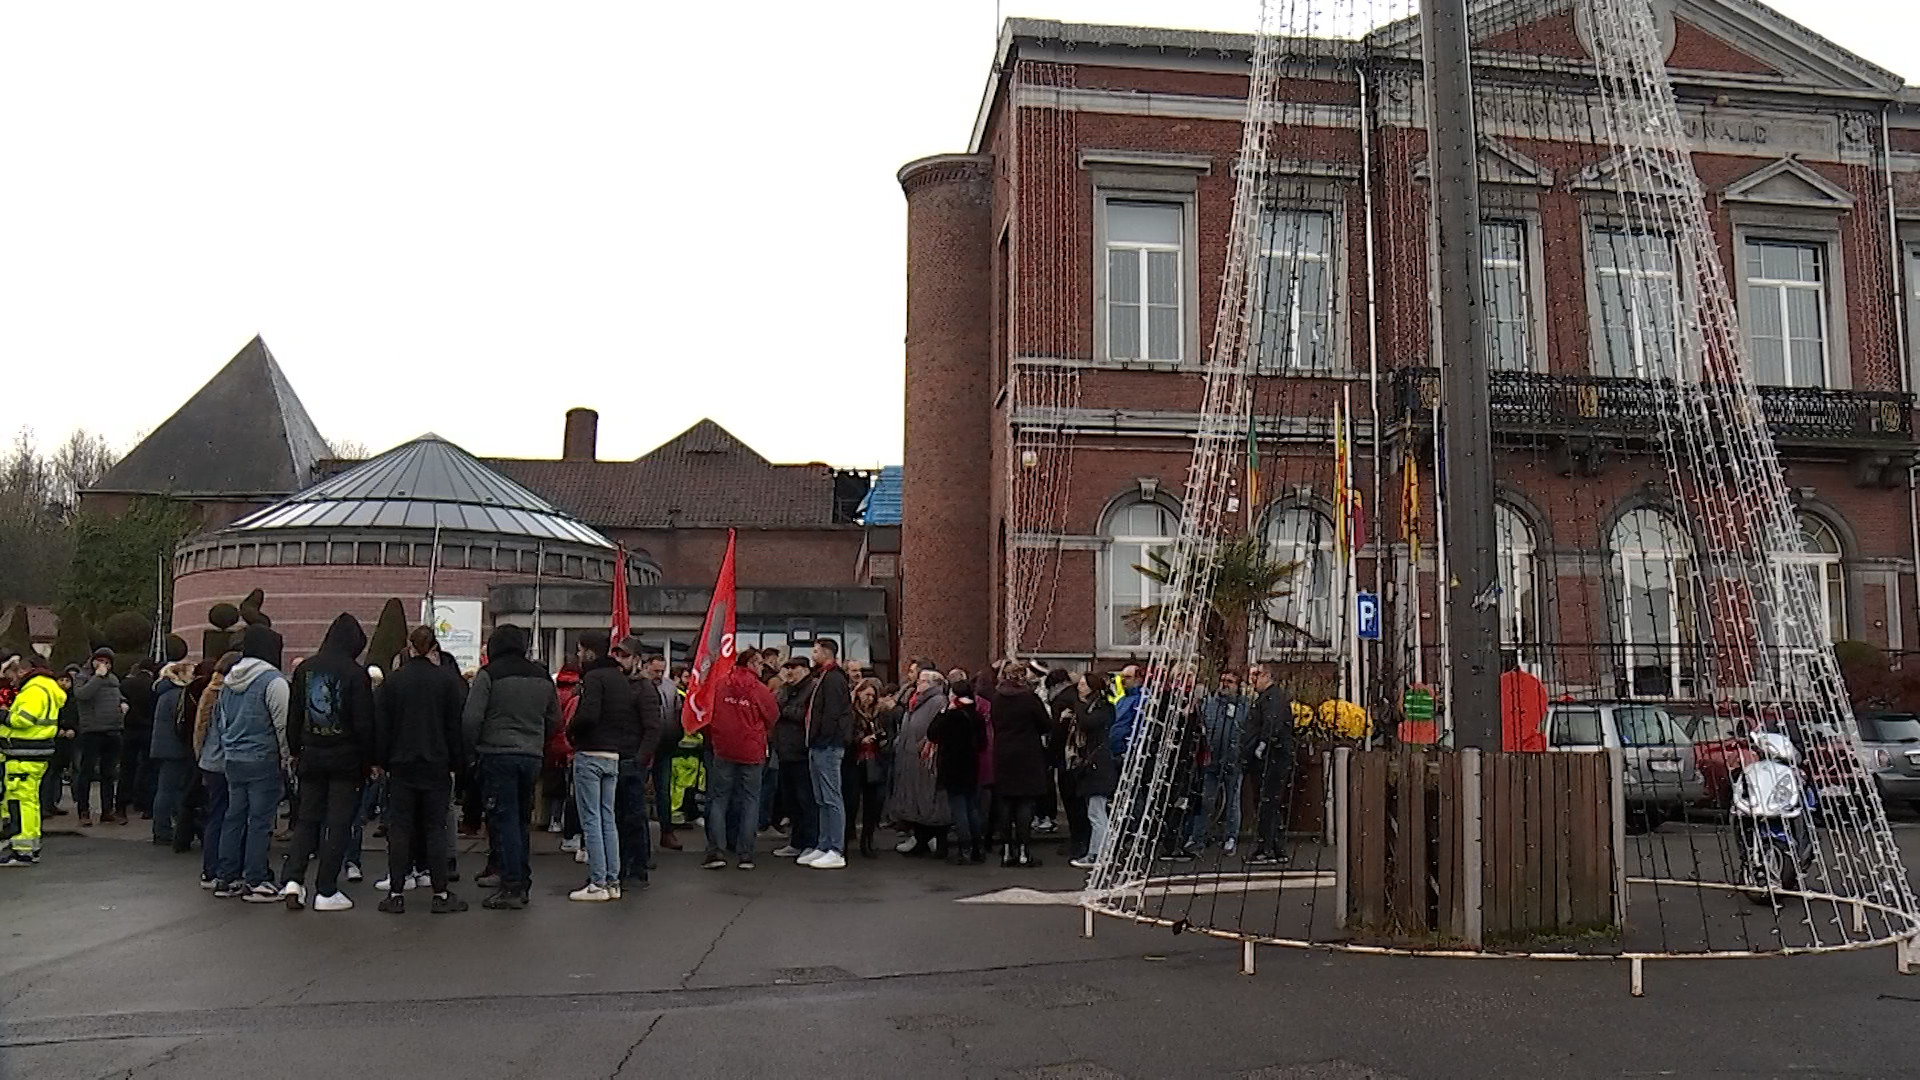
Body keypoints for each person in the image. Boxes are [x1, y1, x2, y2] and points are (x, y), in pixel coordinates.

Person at [276, 614, 376, 912]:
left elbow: (294, 715)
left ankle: (293, 880)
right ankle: (326, 888)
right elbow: (364, 723)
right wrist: (371, 759)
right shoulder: (356, 674)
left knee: (307, 818)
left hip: (311, 753)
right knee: (338, 822)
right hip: (345, 758)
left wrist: (295, 749)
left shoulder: (305, 669)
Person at [374, 625, 469, 913]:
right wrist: (458, 764)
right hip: (437, 764)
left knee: (400, 827)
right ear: (433, 648)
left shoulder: (392, 682)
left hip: (401, 765)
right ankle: (440, 892)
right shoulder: (447, 682)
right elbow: (456, 727)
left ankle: (396, 892)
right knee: (434, 827)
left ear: (409, 646)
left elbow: (381, 726)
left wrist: (381, 760)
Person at [463, 624, 558, 910]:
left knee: (502, 820)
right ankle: (520, 878)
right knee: (520, 820)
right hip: (531, 756)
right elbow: (555, 719)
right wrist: (537, 739)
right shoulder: (542, 676)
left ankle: (511, 884)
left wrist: (473, 749)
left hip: (496, 753)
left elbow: (471, 719)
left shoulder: (489, 674)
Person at [212, 627, 292, 902]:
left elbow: (221, 722)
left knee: (233, 817)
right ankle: (256, 879)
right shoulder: (273, 681)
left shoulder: (228, 681)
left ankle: (226, 877)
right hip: (263, 759)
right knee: (260, 821)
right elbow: (283, 724)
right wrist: (287, 757)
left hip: (233, 758)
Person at [568, 631, 640, 901]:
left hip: (590, 752)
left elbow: (587, 715)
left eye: (579, 650)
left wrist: (571, 729)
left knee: (591, 819)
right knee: (608, 818)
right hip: (613, 754)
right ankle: (612, 880)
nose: (577, 655)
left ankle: (597, 881)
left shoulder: (593, 678)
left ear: (589, 652)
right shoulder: (621, 679)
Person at [702, 648, 778, 869]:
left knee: (719, 799)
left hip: (723, 749)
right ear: (753, 664)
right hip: (751, 750)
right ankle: (745, 854)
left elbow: (708, 714)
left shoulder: (720, 684)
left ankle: (717, 851)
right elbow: (773, 715)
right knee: (750, 800)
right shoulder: (759, 689)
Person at [0, 656, 67, 866]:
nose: (11, 681)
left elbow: (23, 720)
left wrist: (3, 715)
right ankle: (29, 846)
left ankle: (22, 851)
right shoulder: (46, 688)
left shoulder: (34, 690)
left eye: (11, 675)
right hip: (36, 750)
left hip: (24, 751)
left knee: (20, 801)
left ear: (22, 671)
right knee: (29, 800)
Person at [988, 662, 1051, 868]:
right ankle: (1024, 851)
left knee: (1005, 803)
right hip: (1027, 753)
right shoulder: (1029, 699)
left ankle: (1007, 850)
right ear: (1022, 677)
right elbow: (1045, 724)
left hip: (1003, 753)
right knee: (1025, 803)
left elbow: (995, 723)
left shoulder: (996, 698)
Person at [610, 637, 662, 888]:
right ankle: (619, 867)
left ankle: (637, 870)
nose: (619, 660)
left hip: (632, 760)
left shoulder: (644, 689)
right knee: (617, 817)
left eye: (624, 656)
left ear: (637, 659)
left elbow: (653, 728)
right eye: (617, 655)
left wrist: (641, 760)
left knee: (633, 817)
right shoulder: (615, 685)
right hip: (615, 757)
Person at [886, 669, 950, 857]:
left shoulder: (937, 701)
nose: (918, 684)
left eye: (922, 681)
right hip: (909, 756)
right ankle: (920, 837)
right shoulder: (916, 701)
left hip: (924, 758)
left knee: (928, 799)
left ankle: (932, 838)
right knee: (914, 797)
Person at [801, 637, 853, 870]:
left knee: (831, 797)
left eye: (816, 650)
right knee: (821, 798)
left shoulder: (833, 679)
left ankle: (836, 848)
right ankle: (823, 844)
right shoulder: (823, 676)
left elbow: (832, 713)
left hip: (828, 745)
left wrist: (822, 737)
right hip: (819, 744)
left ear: (826, 652)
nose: (813, 654)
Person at [927, 677, 986, 865]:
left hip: (952, 766)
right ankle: (978, 848)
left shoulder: (951, 716)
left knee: (959, 810)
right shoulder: (976, 715)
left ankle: (965, 849)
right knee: (972, 808)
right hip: (971, 765)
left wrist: (943, 712)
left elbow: (932, 733)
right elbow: (983, 743)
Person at [193, 653, 240, 888]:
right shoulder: (232, 692)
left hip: (209, 761)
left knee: (215, 814)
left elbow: (200, 727)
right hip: (226, 760)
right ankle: (223, 868)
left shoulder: (209, 690)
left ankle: (209, 870)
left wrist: (199, 755)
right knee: (229, 815)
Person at [1187, 671, 1247, 856]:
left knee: (1232, 802)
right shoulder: (1210, 703)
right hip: (1211, 760)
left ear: (1238, 686)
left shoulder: (1244, 706)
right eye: (1222, 680)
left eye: (1230, 682)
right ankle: (1198, 838)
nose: (1224, 684)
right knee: (1206, 800)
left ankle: (1230, 838)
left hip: (1233, 760)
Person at [1242, 665, 1295, 867]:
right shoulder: (1271, 697)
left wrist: (1262, 744)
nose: (1252, 680)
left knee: (1267, 802)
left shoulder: (1272, 698)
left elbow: (1272, 722)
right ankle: (1275, 847)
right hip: (1273, 756)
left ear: (1266, 676)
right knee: (1270, 803)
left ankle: (1267, 849)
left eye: (1255, 675)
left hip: (1271, 757)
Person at [1068, 672, 1118, 870]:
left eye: (1082, 684)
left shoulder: (1102, 708)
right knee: (1095, 812)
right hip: (1095, 763)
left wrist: (1078, 705)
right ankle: (1099, 852)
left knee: (1097, 814)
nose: (1079, 687)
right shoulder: (1098, 707)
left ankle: (1098, 853)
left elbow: (1089, 723)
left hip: (1098, 765)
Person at [70, 647, 124, 827]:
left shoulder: (113, 679)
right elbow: (82, 695)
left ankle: (107, 810)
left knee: (109, 773)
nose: (103, 665)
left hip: (113, 729)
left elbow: (118, 695)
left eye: (107, 662)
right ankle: (83, 811)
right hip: (92, 730)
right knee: (87, 771)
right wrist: (97, 677)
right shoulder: (83, 677)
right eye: (100, 661)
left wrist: (123, 703)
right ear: (92, 661)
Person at [769, 658, 817, 859]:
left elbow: (804, 715)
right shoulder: (786, 690)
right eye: (786, 668)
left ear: (805, 670)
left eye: (793, 668)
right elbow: (773, 707)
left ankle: (810, 842)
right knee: (791, 801)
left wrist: (784, 709)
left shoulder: (812, 689)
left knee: (805, 800)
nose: (789, 672)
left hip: (802, 753)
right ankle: (796, 841)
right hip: (785, 752)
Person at [147, 658, 197, 847]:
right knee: (169, 790)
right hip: (174, 748)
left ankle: (164, 828)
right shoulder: (178, 695)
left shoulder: (164, 693)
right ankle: (163, 830)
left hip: (163, 746)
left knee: (166, 789)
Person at [843, 678, 892, 858]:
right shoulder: (850, 713)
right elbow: (845, 736)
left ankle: (867, 841)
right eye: (867, 694)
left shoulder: (882, 714)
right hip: (854, 762)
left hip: (875, 761)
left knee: (873, 805)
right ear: (859, 692)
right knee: (851, 803)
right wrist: (859, 740)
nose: (869, 699)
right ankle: (845, 841)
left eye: (873, 695)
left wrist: (881, 741)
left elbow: (890, 736)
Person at [638, 652, 681, 850]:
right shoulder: (637, 686)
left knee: (664, 791)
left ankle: (667, 831)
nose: (658, 675)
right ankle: (641, 838)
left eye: (662, 671)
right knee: (637, 792)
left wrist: (676, 734)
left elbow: (676, 711)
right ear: (646, 666)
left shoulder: (670, 687)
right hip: (642, 745)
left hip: (665, 744)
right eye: (655, 670)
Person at [117, 661, 156, 820]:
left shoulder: (126, 684)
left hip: (129, 729)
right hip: (147, 729)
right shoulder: (153, 686)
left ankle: (121, 805)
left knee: (126, 768)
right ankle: (146, 805)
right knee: (147, 768)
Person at [1107, 665, 1144, 764]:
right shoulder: (1122, 699)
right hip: (1113, 750)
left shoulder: (1142, 699)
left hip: (1127, 752)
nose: (1123, 680)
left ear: (1139, 679)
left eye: (1127, 677)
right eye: (1122, 677)